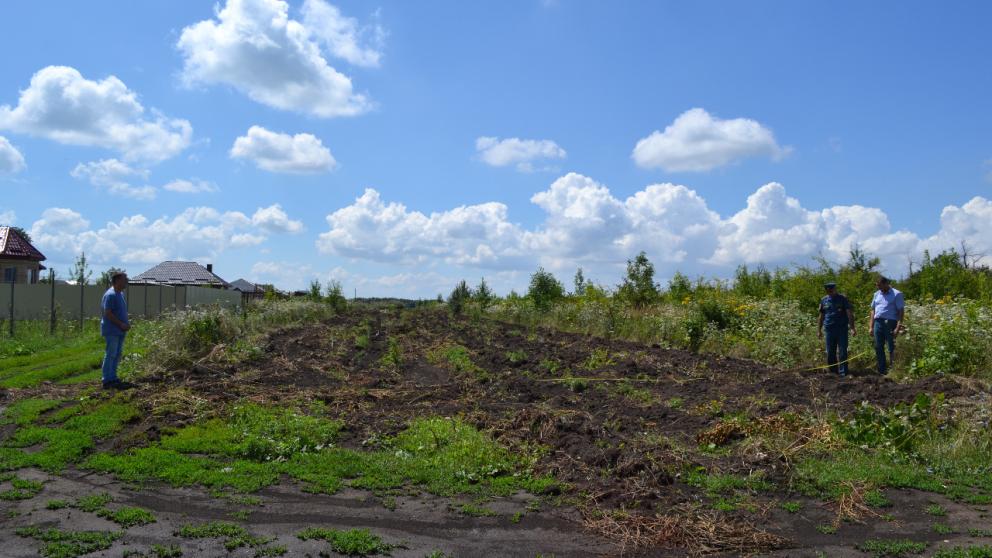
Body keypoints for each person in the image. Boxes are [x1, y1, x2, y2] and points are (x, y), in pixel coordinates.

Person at [100, 272, 133, 389]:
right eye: (125, 279)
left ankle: (113, 377)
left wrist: (126, 323)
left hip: (120, 330)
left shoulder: (120, 294)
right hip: (112, 330)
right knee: (111, 354)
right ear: (117, 280)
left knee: (117, 354)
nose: (127, 281)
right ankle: (107, 379)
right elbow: (108, 313)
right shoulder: (110, 295)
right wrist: (121, 324)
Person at [818, 282, 856, 377]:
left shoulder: (842, 299)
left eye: (831, 290)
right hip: (829, 330)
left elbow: (849, 313)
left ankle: (843, 373)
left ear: (835, 289)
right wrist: (819, 330)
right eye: (827, 290)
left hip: (841, 329)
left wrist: (852, 328)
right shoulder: (824, 300)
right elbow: (821, 316)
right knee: (830, 352)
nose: (830, 292)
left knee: (843, 351)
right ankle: (833, 372)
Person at [869, 275, 905, 375]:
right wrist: (871, 327)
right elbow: (873, 310)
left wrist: (898, 327)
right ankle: (882, 370)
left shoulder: (897, 294)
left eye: (880, 286)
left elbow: (901, 312)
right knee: (878, 346)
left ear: (886, 284)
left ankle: (893, 370)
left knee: (891, 347)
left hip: (890, 322)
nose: (878, 288)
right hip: (878, 322)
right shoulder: (876, 294)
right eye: (877, 286)